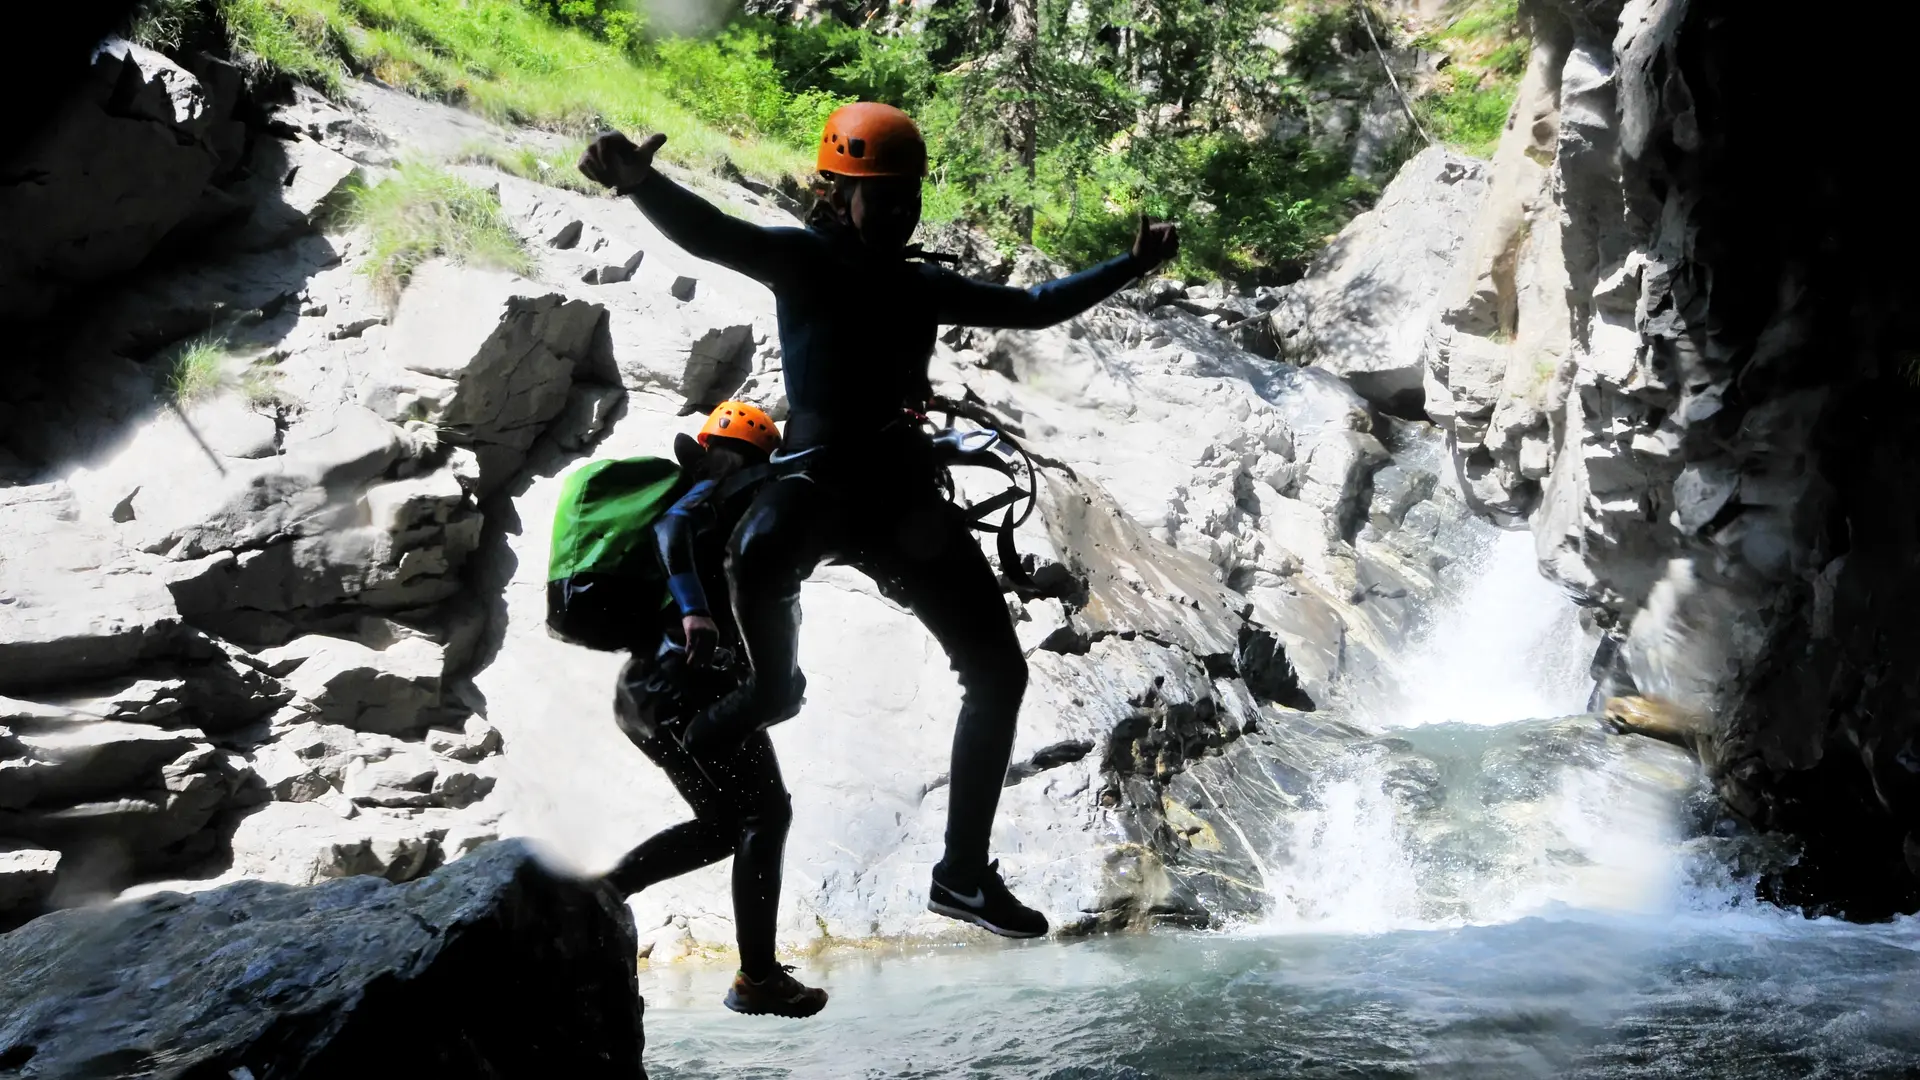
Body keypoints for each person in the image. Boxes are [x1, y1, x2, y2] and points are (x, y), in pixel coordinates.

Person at [578, 102, 1179, 940]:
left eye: (908, 198)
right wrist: (640, 182)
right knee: (768, 633)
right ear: (837, 192)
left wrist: (1130, 265)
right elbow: (710, 233)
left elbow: (1035, 305)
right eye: (881, 197)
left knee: (998, 673)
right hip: (816, 489)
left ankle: (962, 876)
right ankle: (718, 716)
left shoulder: (920, 284)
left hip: (899, 499)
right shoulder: (803, 260)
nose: (898, 214)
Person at [603, 400, 827, 1019]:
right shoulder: (710, 496)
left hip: (647, 696)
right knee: (763, 813)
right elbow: (671, 528)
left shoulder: (721, 503)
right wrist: (694, 608)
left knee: (726, 823)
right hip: (684, 688)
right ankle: (756, 977)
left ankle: (604, 890)